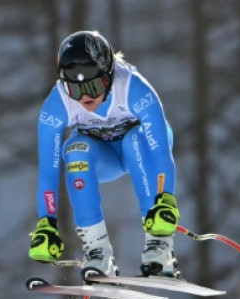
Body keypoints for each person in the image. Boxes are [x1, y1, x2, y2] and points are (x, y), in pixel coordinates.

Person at [28, 30, 181, 279]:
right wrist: (47, 222)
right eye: (74, 89)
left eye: (93, 85)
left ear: (109, 75)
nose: (85, 96)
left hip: (144, 150)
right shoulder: (56, 106)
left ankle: (159, 247)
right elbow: (48, 172)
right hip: (104, 159)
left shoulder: (133, 88)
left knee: (133, 140)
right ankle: (98, 252)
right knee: (75, 150)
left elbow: (161, 152)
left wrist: (165, 199)